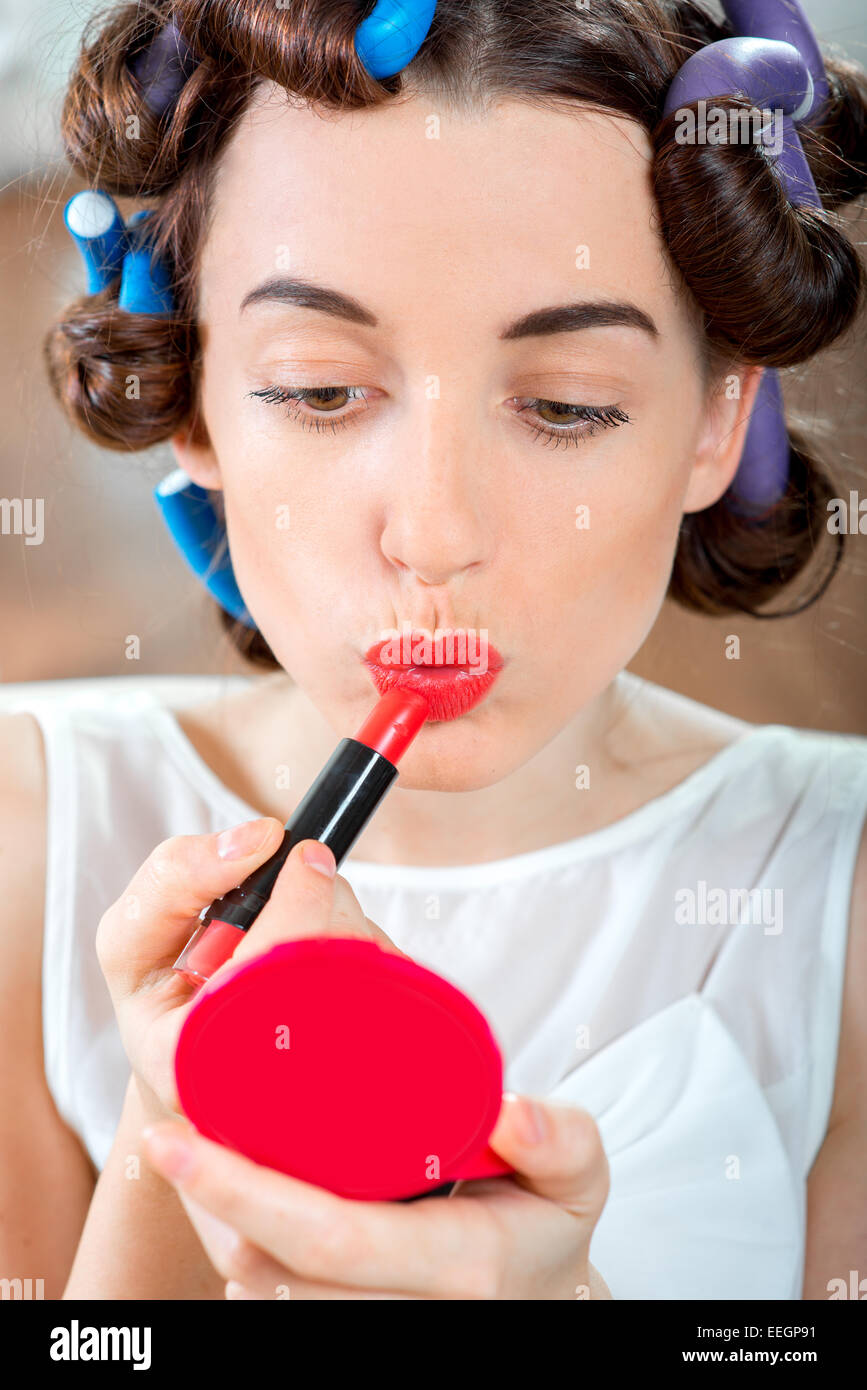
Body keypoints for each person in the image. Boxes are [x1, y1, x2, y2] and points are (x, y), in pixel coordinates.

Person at [2, 0, 865, 1299]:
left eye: (567, 404)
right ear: (189, 398)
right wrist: (183, 1124)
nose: (438, 534)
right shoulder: (28, 832)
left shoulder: (840, 892)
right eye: (318, 388)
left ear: (714, 418)